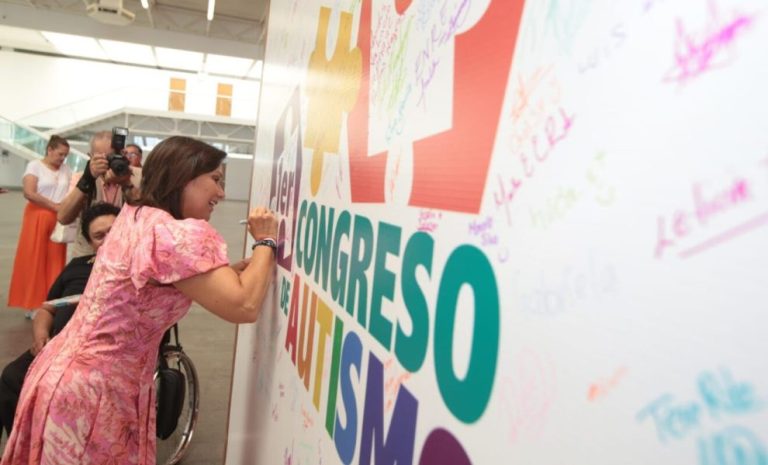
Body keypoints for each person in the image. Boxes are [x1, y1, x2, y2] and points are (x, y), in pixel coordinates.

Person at [1, 136, 278, 465]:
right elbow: (244, 305)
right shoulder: (176, 235)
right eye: (215, 179)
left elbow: (149, 283)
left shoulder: (137, 216)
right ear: (183, 176)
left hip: (65, 376)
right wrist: (266, 240)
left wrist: (223, 275)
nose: (221, 192)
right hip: (95, 393)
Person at [0, 203, 120, 439]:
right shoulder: (77, 266)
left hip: (97, 353)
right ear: (91, 243)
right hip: (56, 346)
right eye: (99, 236)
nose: (108, 239)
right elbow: (47, 308)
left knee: (51, 387)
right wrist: (40, 335)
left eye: (114, 231)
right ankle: (22, 444)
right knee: (11, 377)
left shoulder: (137, 271)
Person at [7, 135, 72, 313]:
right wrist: (54, 206)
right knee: (34, 259)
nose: (62, 158)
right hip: (37, 217)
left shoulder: (66, 169)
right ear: (49, 150)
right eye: (60, 154)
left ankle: (51, 302)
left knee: (55, 260)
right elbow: (29, 193)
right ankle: (32, 303)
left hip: (59, 219)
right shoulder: (34, 166)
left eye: (65, 155)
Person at [58, 130, 142, 258]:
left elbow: (146, 215)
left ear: (123, 154)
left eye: (112, 157)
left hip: (128, 254)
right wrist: (87, 179)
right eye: (102, 158)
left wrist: (125, 183)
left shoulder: (138, 176)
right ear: (90, 156)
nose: (108, 162)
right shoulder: (81, 178)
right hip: (88, 255)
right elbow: (63, 218)